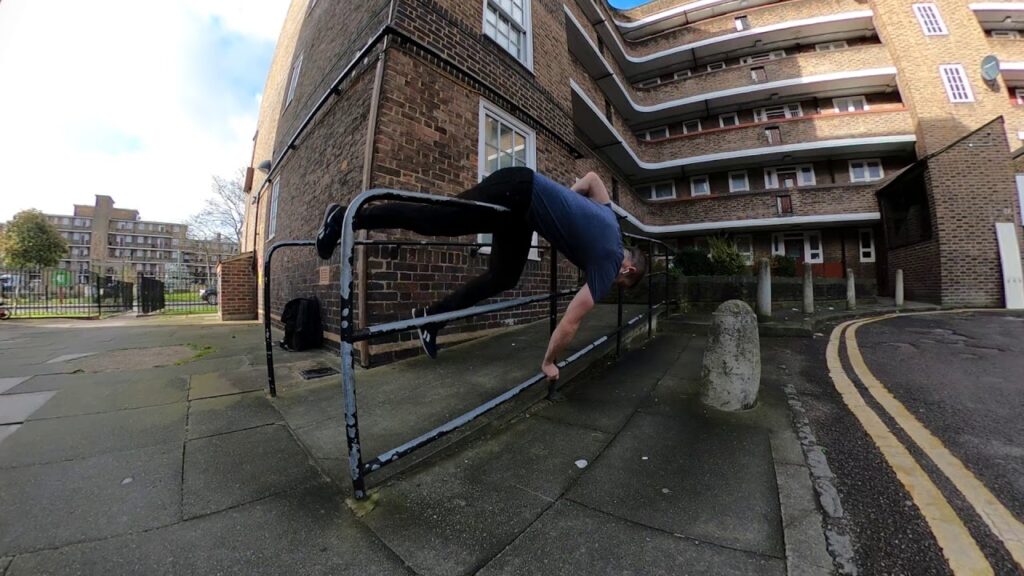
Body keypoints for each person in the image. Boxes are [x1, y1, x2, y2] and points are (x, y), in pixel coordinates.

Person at [315, 167, 646, 381]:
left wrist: (563, 200)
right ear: (626, 269)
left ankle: (432, 318)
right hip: (516, 190)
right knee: (436, 220)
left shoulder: (612, 225)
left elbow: (591, 179)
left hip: (523, 213)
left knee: (504, 276)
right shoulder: (608, 265)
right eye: (620, 282)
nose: (611, 286)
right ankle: (346, 217)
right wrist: (549, 362)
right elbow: (571, 321)